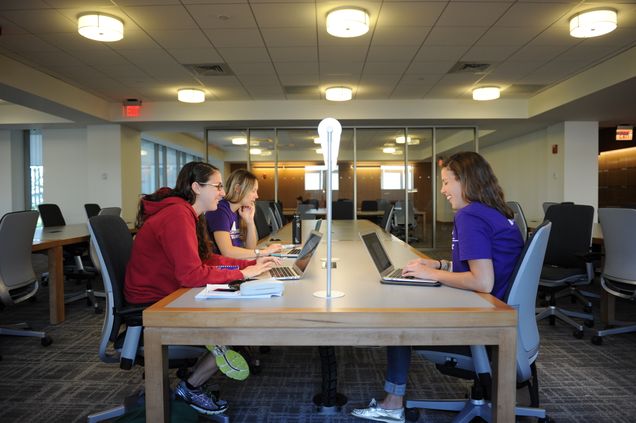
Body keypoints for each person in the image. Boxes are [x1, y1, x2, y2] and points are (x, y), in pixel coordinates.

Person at [351, 151, 524, 423]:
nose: (442, 190)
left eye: (446, 182)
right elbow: (483, 267)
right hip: (498, 312)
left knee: (400, 319)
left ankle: (392, 404)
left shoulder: (470, 216)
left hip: (485, 321)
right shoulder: (494, 212)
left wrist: (433, 275)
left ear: (466, 181)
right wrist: (439, 266)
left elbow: (482, 281)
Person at [125, 161, 279, 416]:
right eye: (217, 186)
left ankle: (196, 379)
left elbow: (206, 259)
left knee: (240, 308)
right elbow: (191, 274)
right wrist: (242, 273)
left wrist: (251, 264)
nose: (222, 192)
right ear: (196, 187)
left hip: (170, 293)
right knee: (239, 322)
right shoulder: (177, 215)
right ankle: (191, 387)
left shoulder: (186, 213)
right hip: (156, 304)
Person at [206, 169, 282, 259]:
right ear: (237, 189)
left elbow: (251, 248)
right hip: (222, 267)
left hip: (236, 263)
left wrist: (250, 221)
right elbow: (227, 252)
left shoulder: (239, 211)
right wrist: (265, 252)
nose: (257, 196)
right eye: (253, 191)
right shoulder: (219, 211)